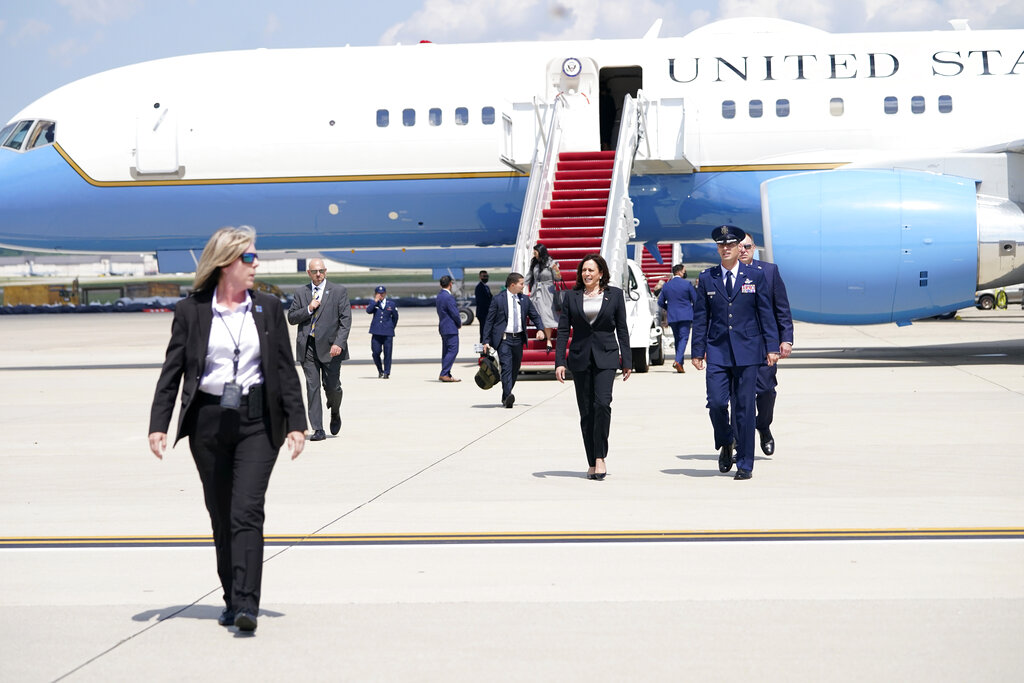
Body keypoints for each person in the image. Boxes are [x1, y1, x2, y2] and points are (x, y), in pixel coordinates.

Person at [148, 225, 306, 633]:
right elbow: (172, 372)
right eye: (249, 258)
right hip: (208, 422)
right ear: (226, 264)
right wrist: (158, 425)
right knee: (221, 515)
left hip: (258, 422)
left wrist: (297, 424)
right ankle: (231, 597)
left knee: (246, 511)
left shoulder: (268, 308)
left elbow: (285, 371)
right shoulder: (192, 311)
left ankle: (247, 605)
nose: (257, 265)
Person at [691, 225, 779, 481]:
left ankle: (745, 463)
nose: (726, 248)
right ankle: (726, 441)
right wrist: (698, 350)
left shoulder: (755, 276)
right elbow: (701, 317)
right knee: (717, 403)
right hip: (717, 351)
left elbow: (765, 313)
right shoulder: (708, 278)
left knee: (744, 408)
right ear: (718, 248)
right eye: (721, 245)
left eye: (731, 244)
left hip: (749, 351)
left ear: (739, 247)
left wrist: (771, 346)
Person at [555, 254, 632, 480]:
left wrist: (626, 360)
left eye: (591, 270)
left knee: (602, 405)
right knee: (586, 412)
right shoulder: (571, 296)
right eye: (583, 270)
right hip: (580, 359)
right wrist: (560, 361)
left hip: (606, 358)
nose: (586, 274)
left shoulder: (615, 295)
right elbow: (562, 331)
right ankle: (592, 460)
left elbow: (622, 329)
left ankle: (601, 456)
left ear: (601, 273)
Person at [734, 236, 794, 455]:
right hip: (736, 344)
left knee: (767, 390)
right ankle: (740, 438)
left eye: (747, 246)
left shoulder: (769, 271)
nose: (742, 250)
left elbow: (782, 308)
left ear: (754, 249)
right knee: (739, 394)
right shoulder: (725, 273)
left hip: (764, 343)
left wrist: (786, 339)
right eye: (738, 247)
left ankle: (764, 425)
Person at [287, 258, 351, 441]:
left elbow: (345, 321)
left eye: (321, 271)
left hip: (332, 348)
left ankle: (335, 410)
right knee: (312, 388)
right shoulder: (301, 292)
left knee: (332, 387)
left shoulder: (338, 291)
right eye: (314, 271)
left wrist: (339, 343)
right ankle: (318, 428)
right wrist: (308, 308)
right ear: (309, 273)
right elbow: (291, 317)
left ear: (326, 271)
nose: (318, 274)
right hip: (308, 348)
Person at [482, 272, 546, 408]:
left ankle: (506, 396)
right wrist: (485, 341)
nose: (523, 286)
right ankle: (508, 395)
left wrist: (540, 329)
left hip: (518, 339)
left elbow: (535, 315)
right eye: (521, 284)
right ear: (512, 285)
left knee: (515, 368)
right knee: (506, 367)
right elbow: (489, 321)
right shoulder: (498, 299)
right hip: (504, 339)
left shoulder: (525, 300)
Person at [657, 263, 698, 373]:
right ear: (680, 272)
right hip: (686, 315)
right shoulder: (687, 284)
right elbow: (695, 300)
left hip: (673, 316)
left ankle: (680, 364)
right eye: (684, 271)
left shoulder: (666, 285)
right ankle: (678, 361)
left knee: (677, 339)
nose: (685, 273)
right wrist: (692, 309)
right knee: (683, 339)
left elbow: (660, 302)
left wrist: (669, 308)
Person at [525, 243, 561, 352]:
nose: (534, 254)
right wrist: (520, 285)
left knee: (546, 314)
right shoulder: (534, 263)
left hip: (548, 292)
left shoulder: (551, 263)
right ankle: (542, 332)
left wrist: (556, 270)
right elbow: (529, 276)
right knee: (539, 313)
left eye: (535, 252)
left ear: (540, 251)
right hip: (537, 292)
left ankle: (549, 339)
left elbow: (558, 278)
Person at [366, 285, 399, 379]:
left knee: (388, 353)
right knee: (375, 352)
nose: (381, 295)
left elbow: (395, 317)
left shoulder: (391, 304)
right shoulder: (373, 303)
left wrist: (391, 327)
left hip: (387, 332)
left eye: (382, 293)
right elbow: (368, 311)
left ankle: (386, 372)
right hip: (376, 332)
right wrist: (375, 301)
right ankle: (380, 370)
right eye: (379, 293)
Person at [436, 274, 462, 382]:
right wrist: (459, 323)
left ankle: (447, 373)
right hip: (450, 327)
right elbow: (455, 313)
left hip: (443, 326)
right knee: (453, 350)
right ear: (450, 284)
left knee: (446, 351)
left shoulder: (439, 296)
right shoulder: (449, 297)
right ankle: (444, 373)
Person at [475, 270, 493, 343]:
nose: (486, 278)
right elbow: (481, 301)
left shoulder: (486, 287)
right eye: (484, 276)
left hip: (487, 313)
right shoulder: (479, 287)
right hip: (483, 313)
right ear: (480, 277)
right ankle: (483, 346)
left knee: (488, 331)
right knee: (483, 331)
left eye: (486, 276)